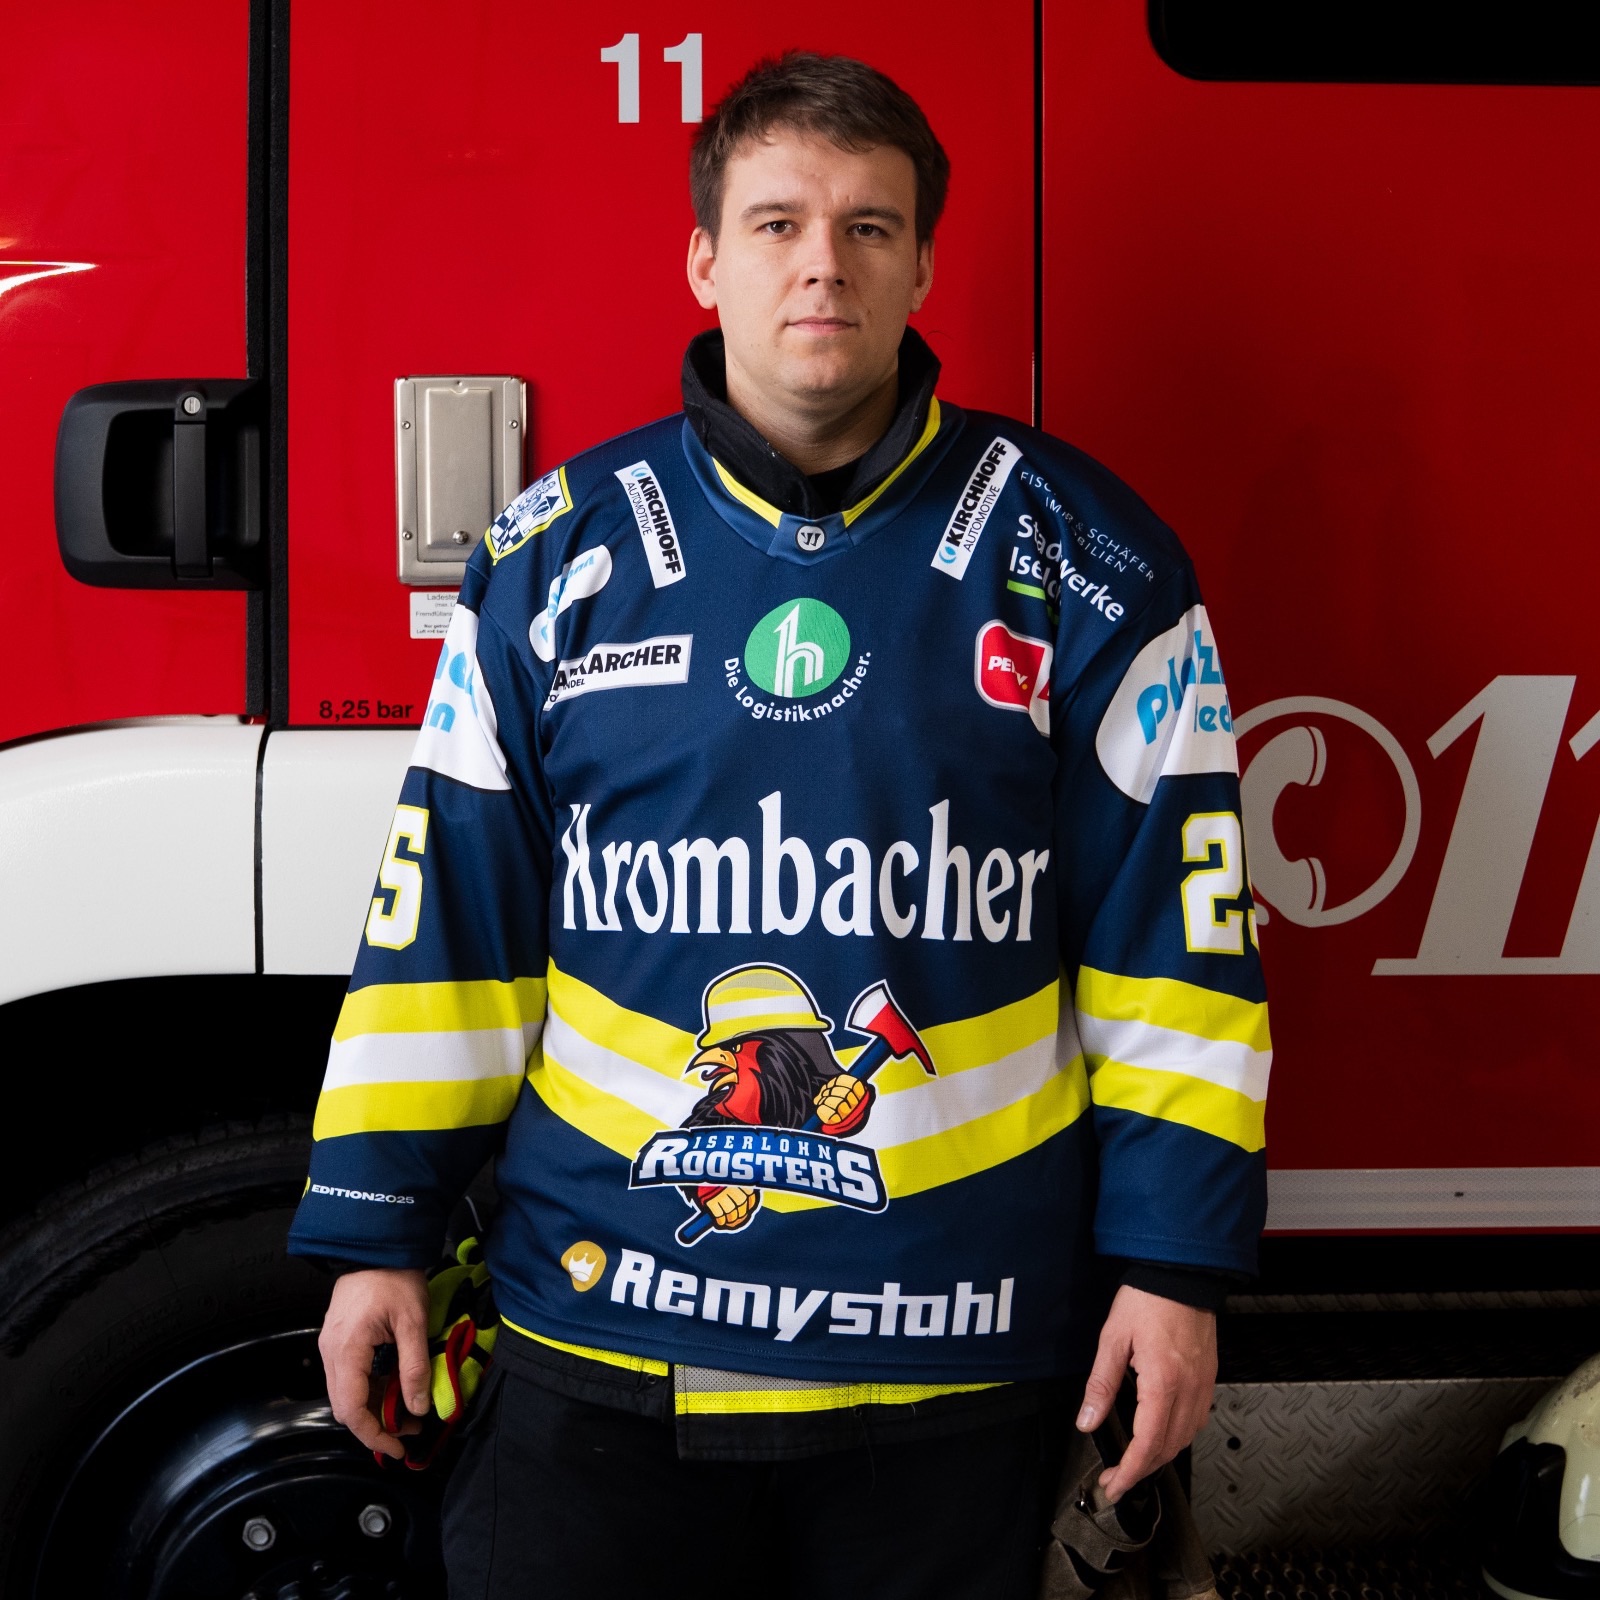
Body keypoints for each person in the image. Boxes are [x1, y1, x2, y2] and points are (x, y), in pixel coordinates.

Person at [289, 51, 1269, 1600]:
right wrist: (377, 1228)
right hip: (601, 1338)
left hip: (951, 1353)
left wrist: (1174, 1270)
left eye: (870, 227)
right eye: (777, 225)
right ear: (704, 259)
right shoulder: (553, 560)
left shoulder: (1093, 561)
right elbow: (446, 931)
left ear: (924, 266)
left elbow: (1179, 953)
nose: (824, 264)